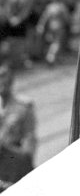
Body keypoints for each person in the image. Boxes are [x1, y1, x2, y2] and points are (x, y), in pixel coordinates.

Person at [0, 56, 36, 191]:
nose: (2, 81)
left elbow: (29, 143)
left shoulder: (24, 106)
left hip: (13, 163)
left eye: (4, 76)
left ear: (12, 79)